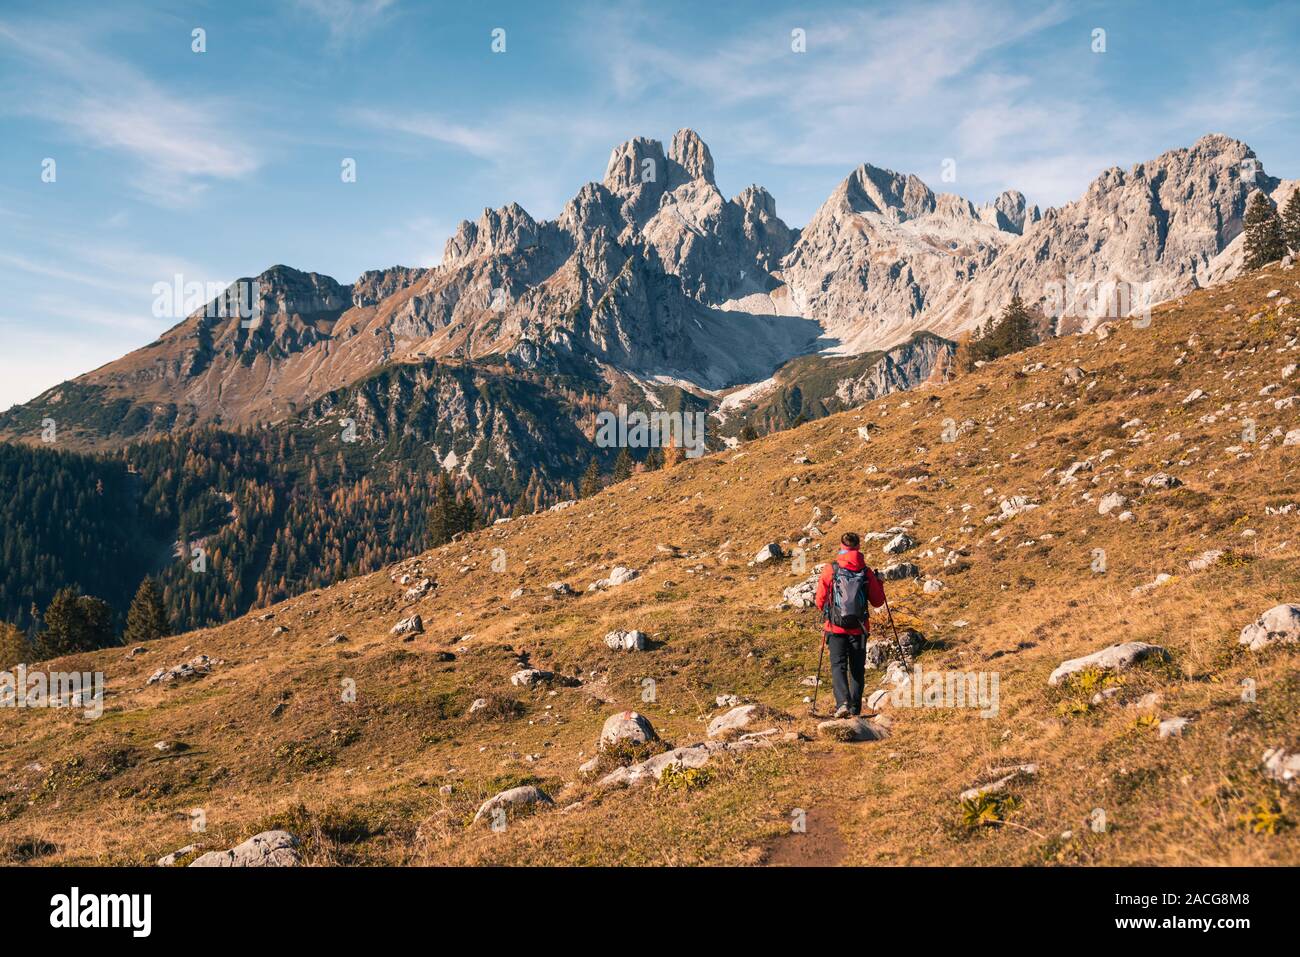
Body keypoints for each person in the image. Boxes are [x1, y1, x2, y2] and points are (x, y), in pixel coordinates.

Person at [815, 532, 886, 717]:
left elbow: (819, 601)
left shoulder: (831, 569)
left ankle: (842, 704)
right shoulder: (866, 572)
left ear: (841, 546)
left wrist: (829, 612)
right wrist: (879, 583)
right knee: (857, 668)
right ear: (858, 547)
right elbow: (878, 602)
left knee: (838, 666)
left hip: (835, 628)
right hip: (859, 629)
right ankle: (855, 709)